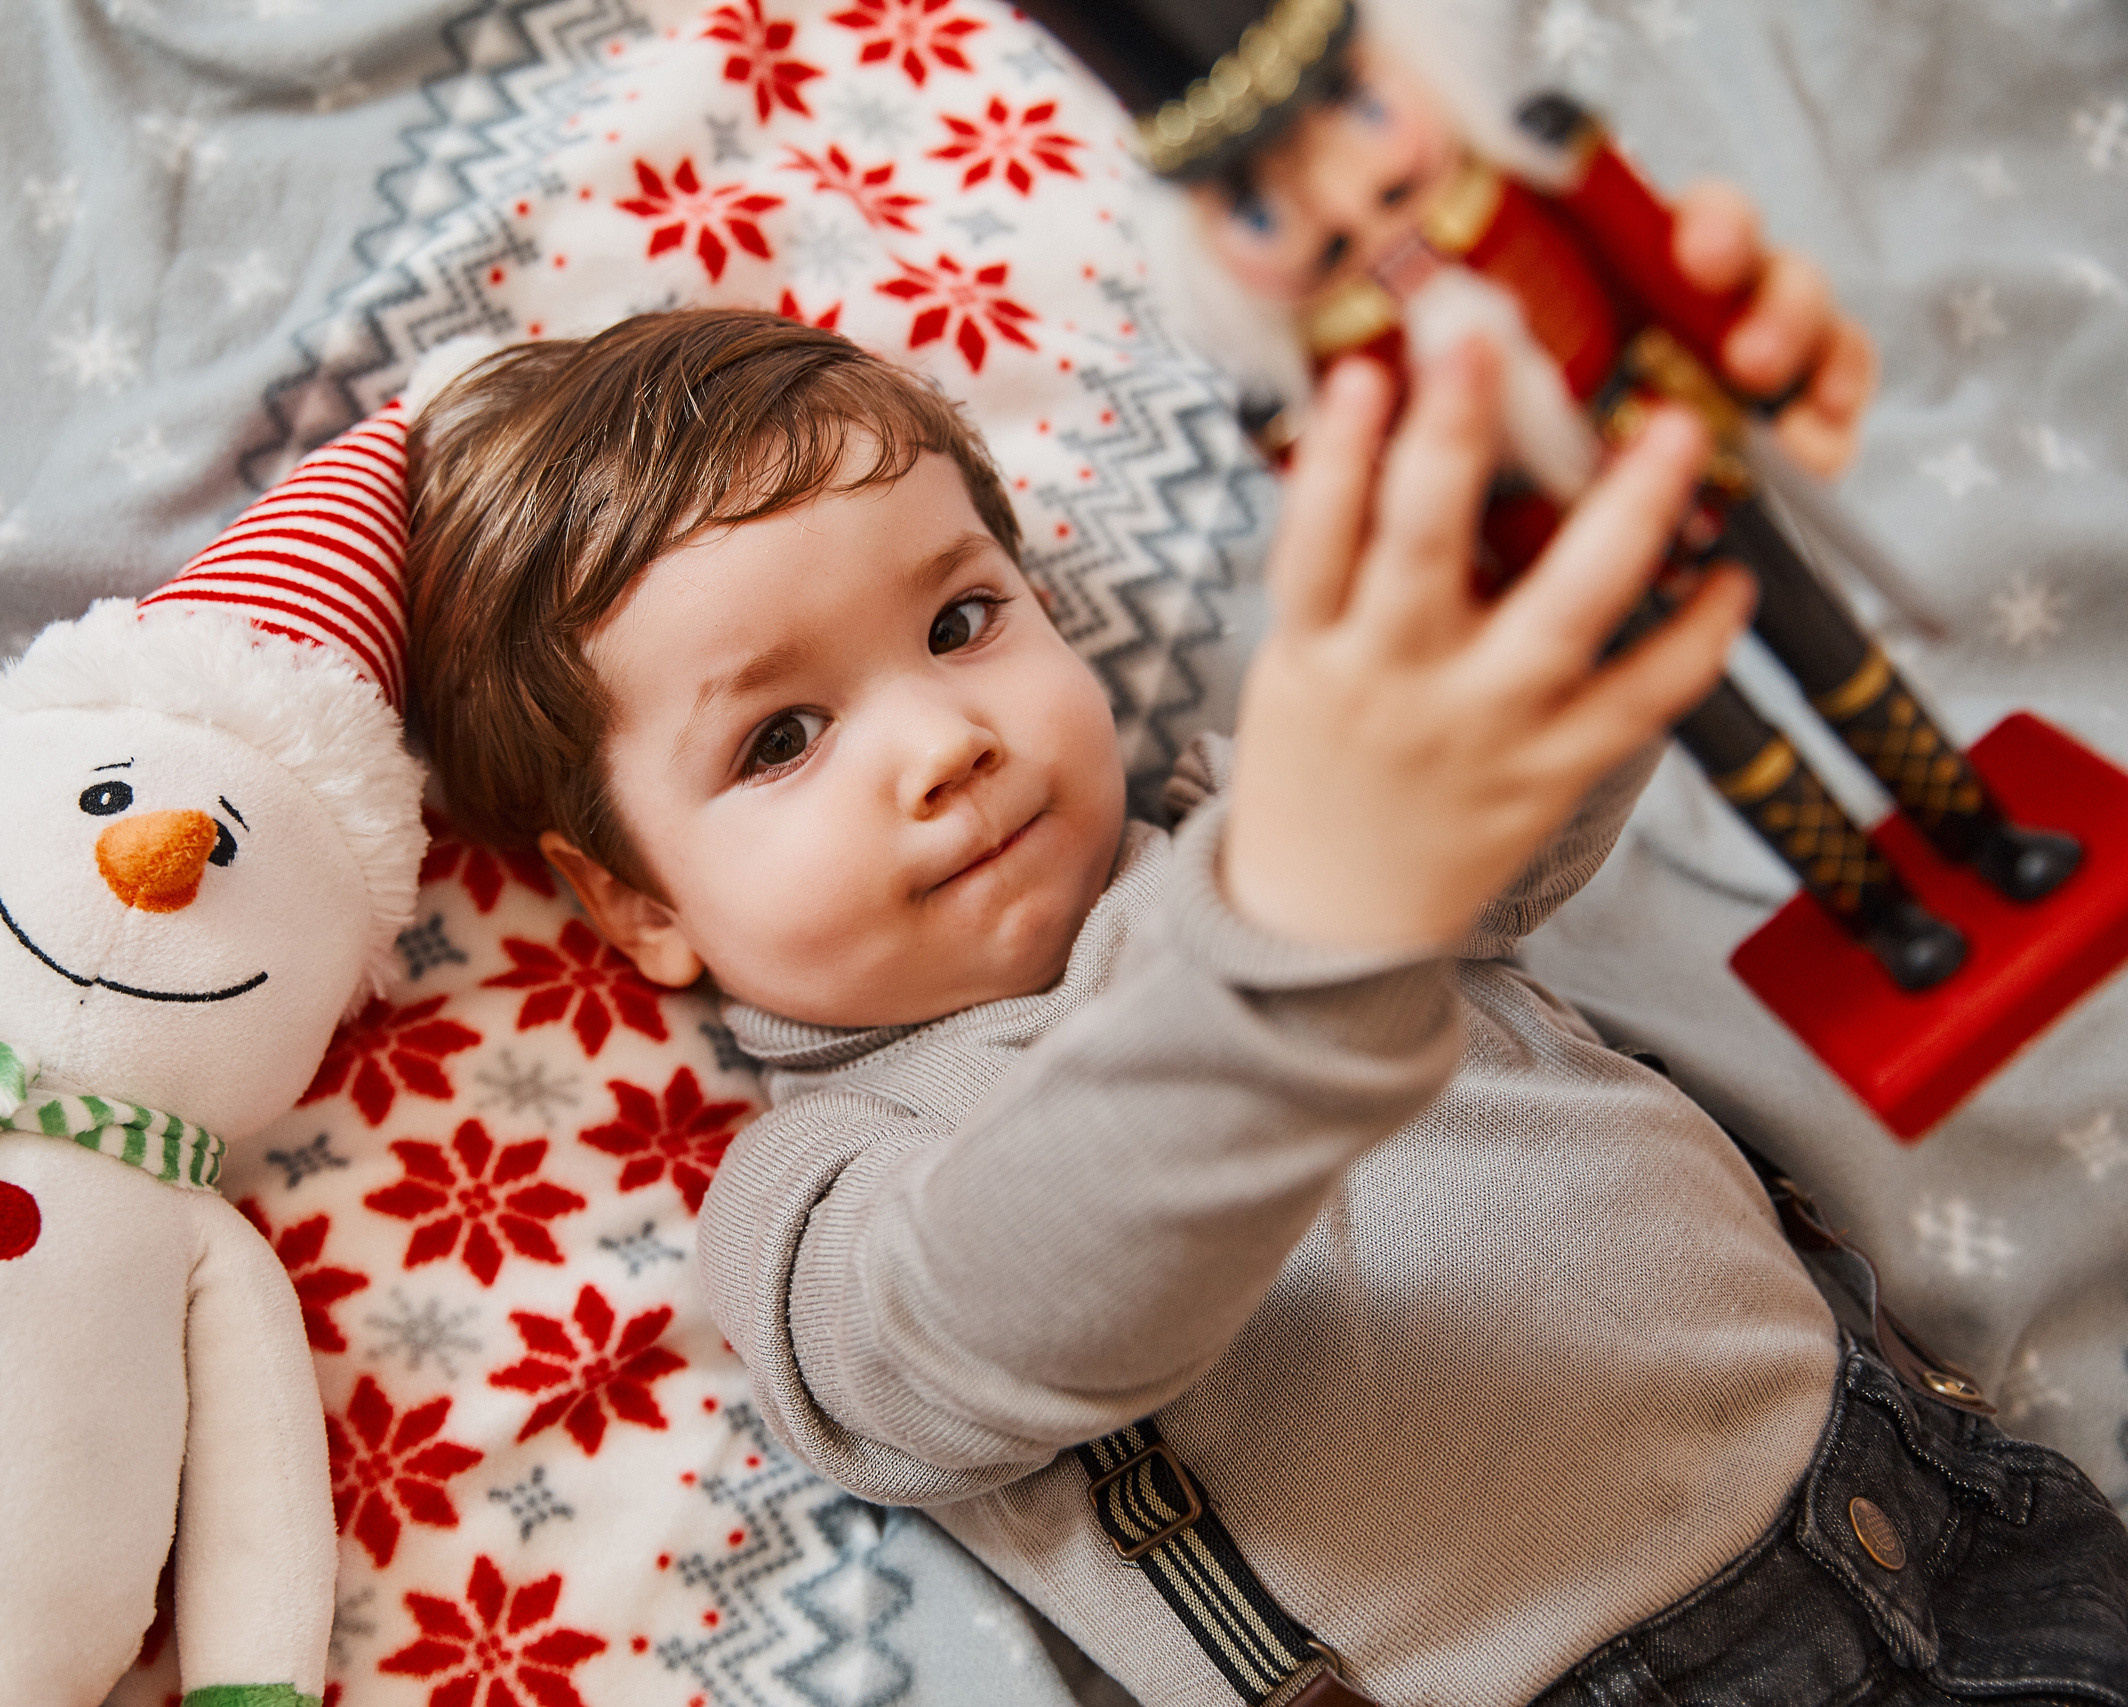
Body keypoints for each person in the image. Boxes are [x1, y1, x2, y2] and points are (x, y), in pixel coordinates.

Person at [401, 307, 2128, 1707]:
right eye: (781, 737)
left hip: (1962, 1512)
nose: (944, 741)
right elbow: (1028, 1289)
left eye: (963, 619)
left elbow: (1527, 748)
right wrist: (1293, 928)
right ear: (636, 901)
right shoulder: (817, 1198)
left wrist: (1617, 487)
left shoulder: (1266, 827)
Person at [1014, 0, 2081, 999]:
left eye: (1353, 106)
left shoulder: (1533, 169)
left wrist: (1757, 373)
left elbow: (1657, 274)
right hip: (1557, 559)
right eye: (1256, 198)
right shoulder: (1319, 388)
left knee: (1834, 654)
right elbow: (1399, 543)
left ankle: (1973, 827)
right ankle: (1876, 911)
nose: (1341, 195)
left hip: (1678, 451)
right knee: (1733, 745)